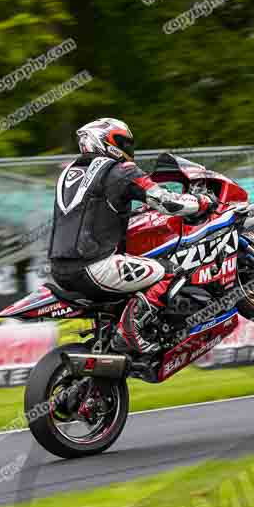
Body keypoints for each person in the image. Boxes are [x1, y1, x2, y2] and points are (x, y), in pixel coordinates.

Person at [47, 118, 216, 355]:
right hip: (96, 266)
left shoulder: (67, 174)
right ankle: (131, 332)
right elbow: (167, 202)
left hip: (59, 269)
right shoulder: (120, 170)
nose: (128, 149)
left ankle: (115, 337)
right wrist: (201, 202)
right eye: (123, 142)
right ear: (106, 142)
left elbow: (94, 211)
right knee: (172, 271)